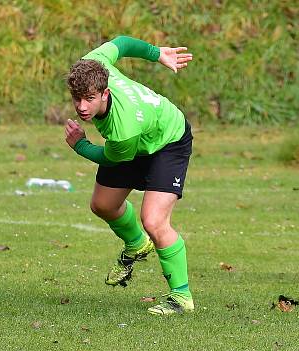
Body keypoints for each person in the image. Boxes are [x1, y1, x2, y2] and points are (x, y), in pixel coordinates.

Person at [64, 35, 194, 314]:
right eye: (77, 98)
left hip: (168, 141)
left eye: (89, 99)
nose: (82, 107)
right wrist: (157, 53)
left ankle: (182, 297)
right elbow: (122, 42)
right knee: (103, 205)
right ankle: (136, 244)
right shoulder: (93, 63)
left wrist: (81, 145)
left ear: (105, 93)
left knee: (154, 220)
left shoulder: (122, 129)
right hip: (138, 138)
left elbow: (112, 156)